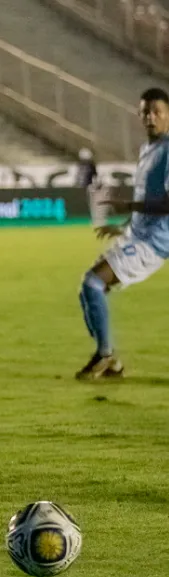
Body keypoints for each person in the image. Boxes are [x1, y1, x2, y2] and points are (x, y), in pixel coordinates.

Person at [76, 87, 169, 379]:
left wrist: (127, 204)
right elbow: (149, 195)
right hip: (137, 235)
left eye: (157, 112)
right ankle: (111, 361)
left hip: (154, 242)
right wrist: (126, 222)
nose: (150, 117)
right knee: (87, 289)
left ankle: (105, 356)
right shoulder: (147, 150)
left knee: (93, 283)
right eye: (145, 112)